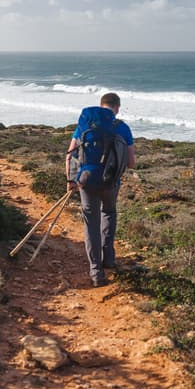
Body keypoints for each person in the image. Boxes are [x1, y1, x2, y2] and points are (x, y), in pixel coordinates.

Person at [66, 92, 135, 287]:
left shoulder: (84, 125)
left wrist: (70, 180)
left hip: (86, 181)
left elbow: (69, 156)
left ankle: (96, 272)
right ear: (117, 108)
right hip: (111, 182)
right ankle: (109, 260)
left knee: (91, 223)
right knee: (109, 213)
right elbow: (131, 163)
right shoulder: (122, 128)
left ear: (101, 105)